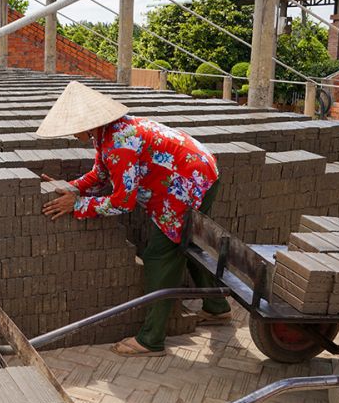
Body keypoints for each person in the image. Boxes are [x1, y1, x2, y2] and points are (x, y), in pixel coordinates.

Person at [36, 81, 231, 357]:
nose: (70, 132)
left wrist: (78, 205)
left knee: (160, 255)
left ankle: (152, 339)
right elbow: (101, 174)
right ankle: (217, 308)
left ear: (87, 122)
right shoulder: (107, 134)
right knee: (188, 242)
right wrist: (73, 187)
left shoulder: (119, 142)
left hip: (189, 180)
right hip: (194, 170)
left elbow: (122, 202)